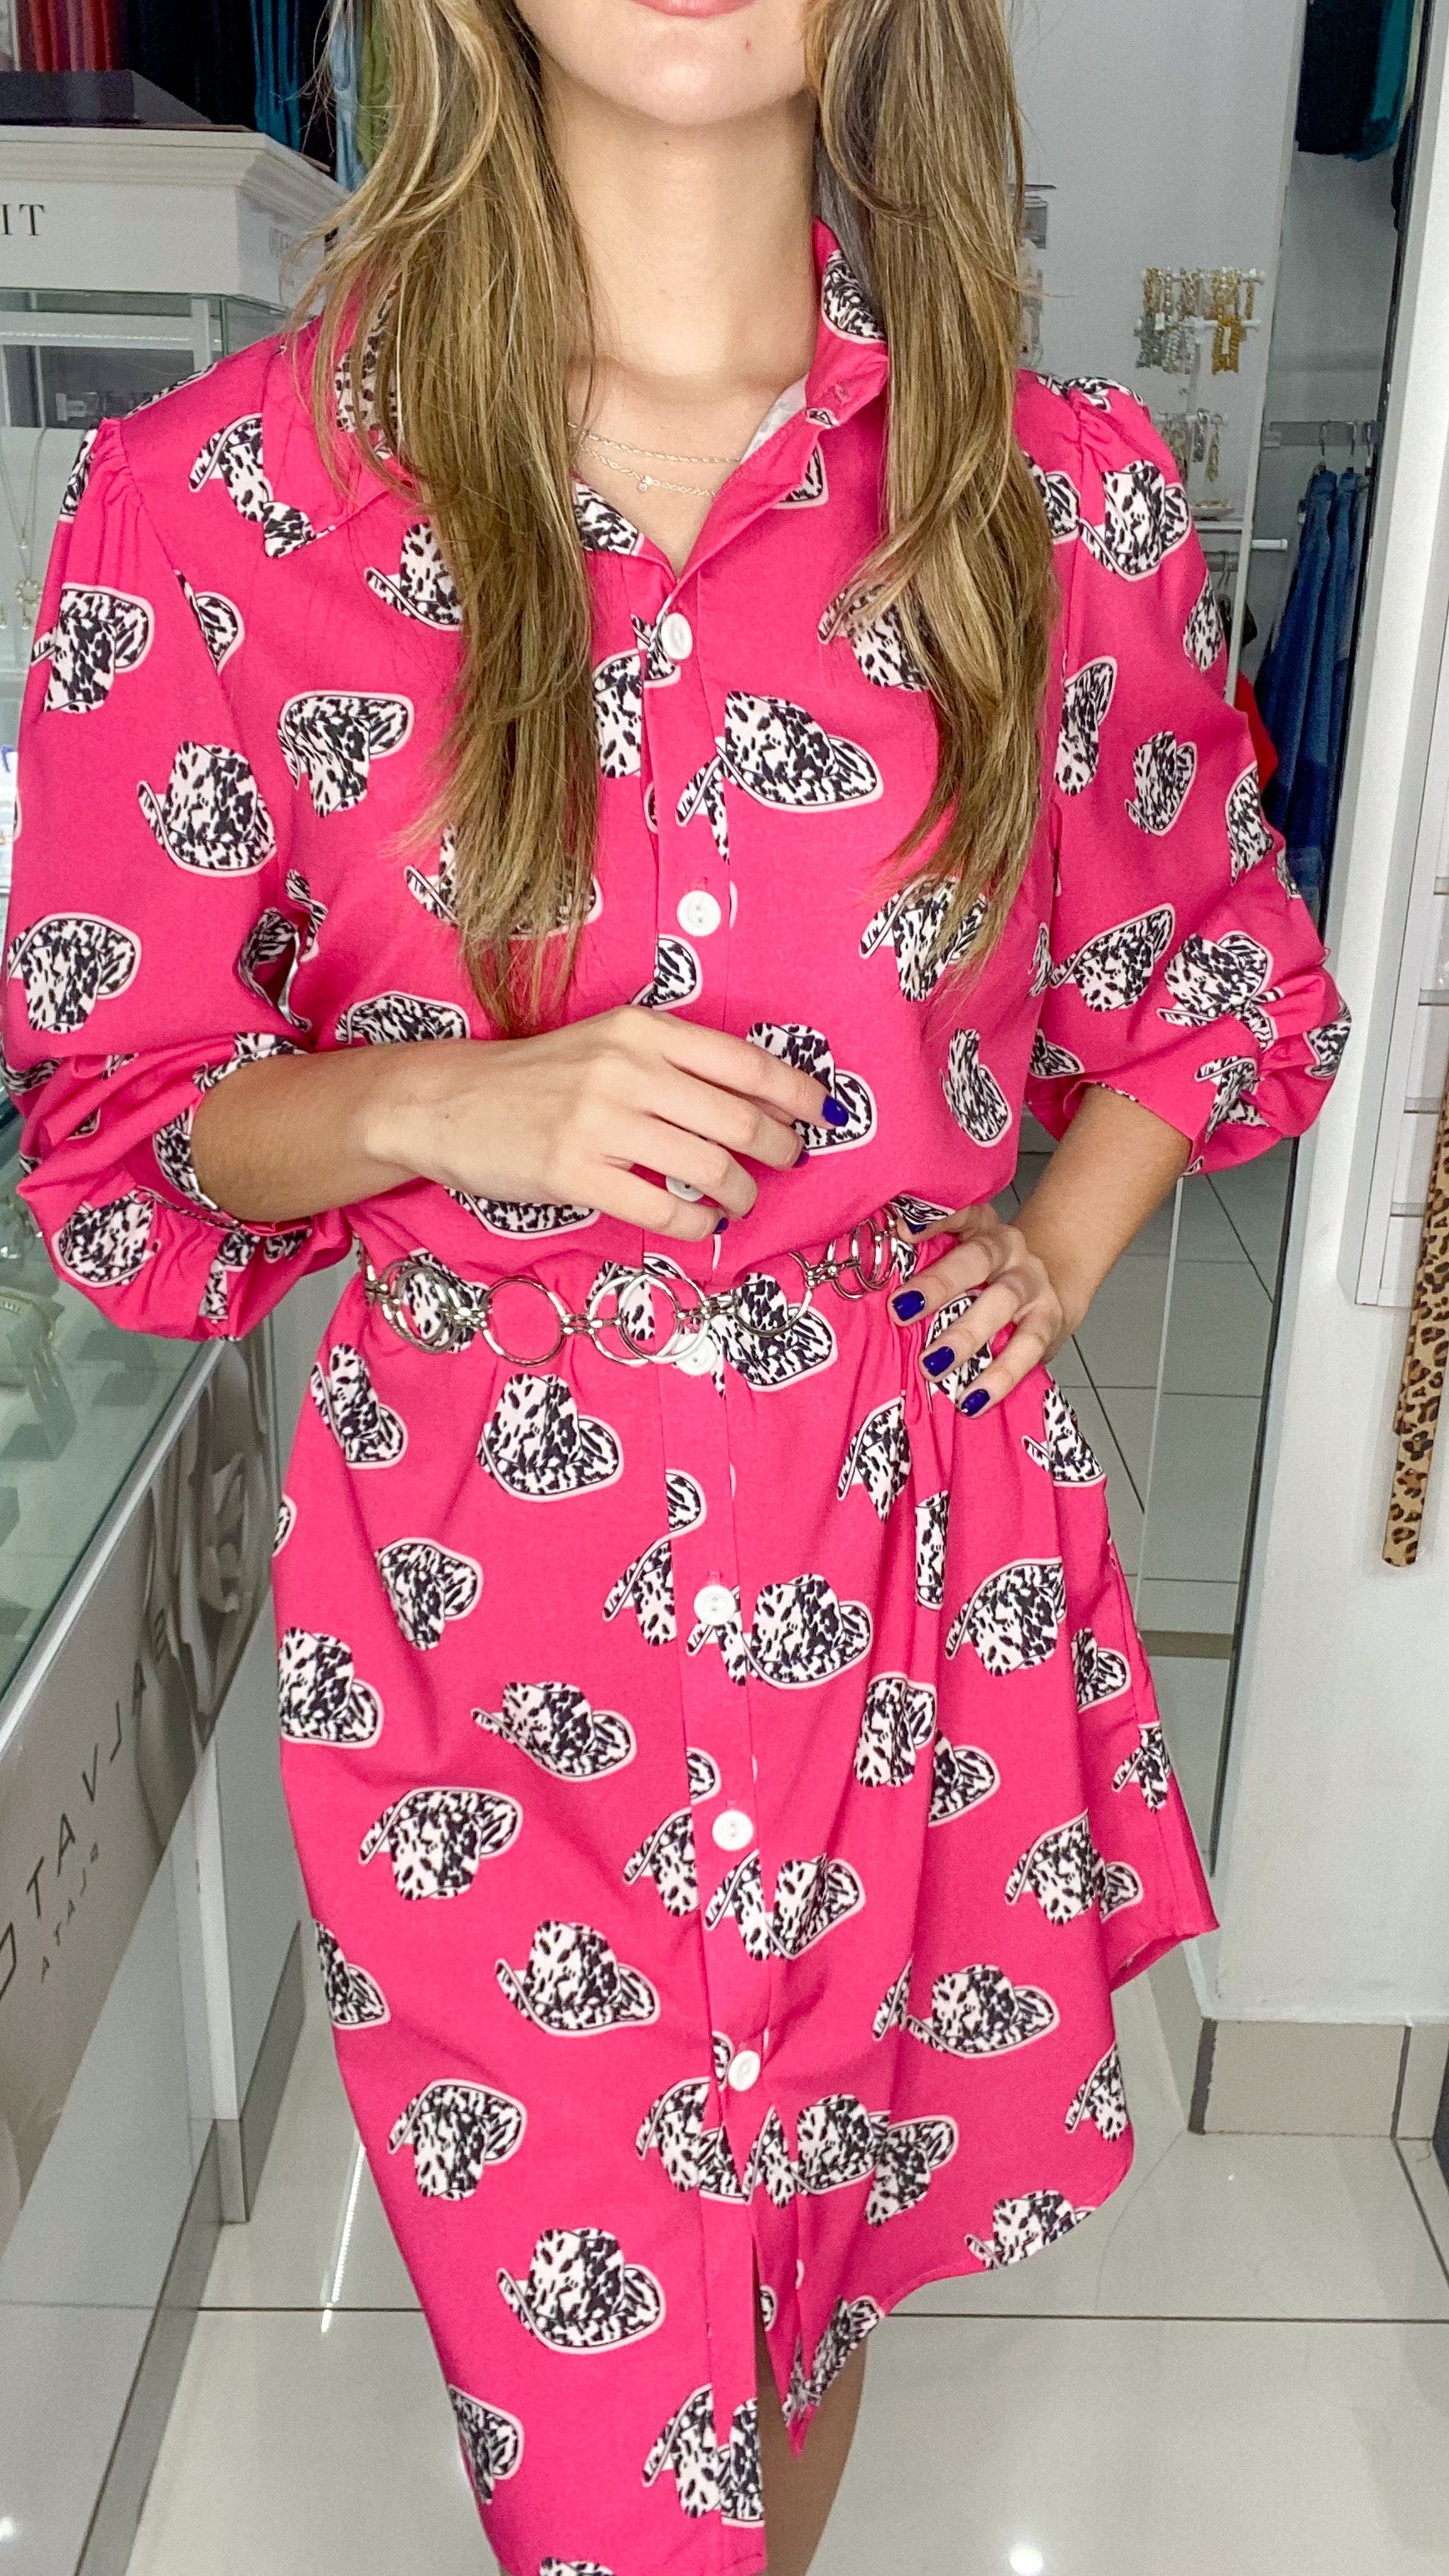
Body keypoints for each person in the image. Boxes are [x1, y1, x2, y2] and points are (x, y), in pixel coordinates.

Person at [3, 1, 1350, 2569]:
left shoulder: (1046, 494)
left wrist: (1053, 1251)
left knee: (789, 2310)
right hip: (480, 1625)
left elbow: (1210, 967)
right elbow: (113, 1116)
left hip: (900, 1585)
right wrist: (435, 1104)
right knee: (606, 2426)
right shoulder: (226, 503)